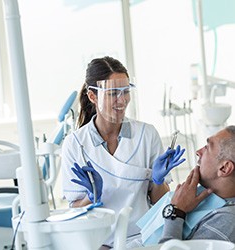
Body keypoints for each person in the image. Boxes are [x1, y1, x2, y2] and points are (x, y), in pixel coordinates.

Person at [61, 56, 185, 247]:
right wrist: (91, 197)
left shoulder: (147, 134)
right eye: (112, 93)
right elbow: (74, 211)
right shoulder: (75, 144)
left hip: (143, 238)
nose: (122, 100)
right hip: (99, 241)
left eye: (125, 91)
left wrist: (158, 181)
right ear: (93, 96)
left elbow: (159, 200)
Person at [131, 126, 235, 247]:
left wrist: (176, 212)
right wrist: (157, 181)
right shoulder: (205, 196)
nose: (198, 152)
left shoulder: (226, 221)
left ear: (224, 168)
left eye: (207, 148)